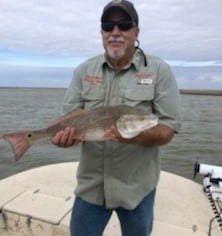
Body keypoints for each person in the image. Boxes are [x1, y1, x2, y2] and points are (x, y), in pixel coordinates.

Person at [52, 0, 182, 235]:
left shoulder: (159, 70)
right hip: (90, 189)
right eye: (107, 26)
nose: (115, 33)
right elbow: (70, 119)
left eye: (123, 25)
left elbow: (168, 128)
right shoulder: (83, 71)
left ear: (136, 32)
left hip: (137, 191)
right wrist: (64, 139)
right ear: (101, 32)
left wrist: (133, 136)